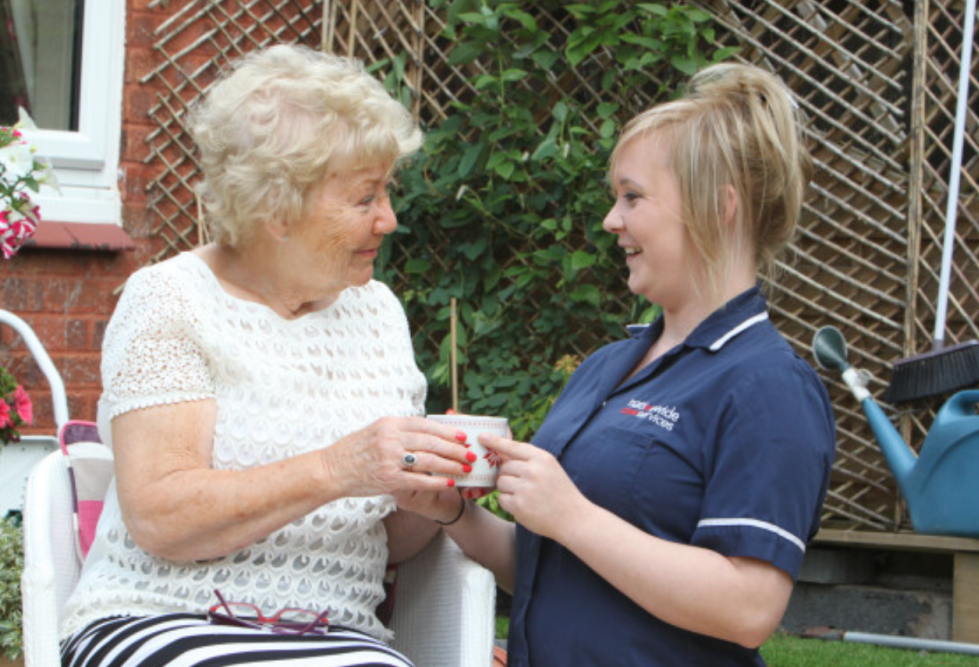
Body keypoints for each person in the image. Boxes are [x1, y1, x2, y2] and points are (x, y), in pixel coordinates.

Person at [404, 63, 836, 666]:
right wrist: (452, 512)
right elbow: (551, 570)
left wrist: (571, 515)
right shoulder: (608, 366)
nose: (612, 219)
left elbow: (748, 609)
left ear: (719, 206)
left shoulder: (767, 387)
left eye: (633, 197)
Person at [59, 44, 476, 667]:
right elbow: (162, 518)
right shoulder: (171, 300)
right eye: (365, 198)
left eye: (386, 191)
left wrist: (436, 499)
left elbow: (386, 546)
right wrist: (341, 467)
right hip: (162, 616)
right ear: (276, 208)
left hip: (339, 636)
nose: (388, 219)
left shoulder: (378, 312)